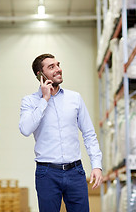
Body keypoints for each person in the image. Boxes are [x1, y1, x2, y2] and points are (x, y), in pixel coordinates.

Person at [19, 53, 103, 212]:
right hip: (47, 174)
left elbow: (89, 134)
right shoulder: (30, 102)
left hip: (75, 172)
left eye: (58, 65)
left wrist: (97, 166)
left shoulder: (75, 98)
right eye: (52, 67)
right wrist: (44, 99)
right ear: (40, 75)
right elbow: (25, 129)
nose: (58, 69)